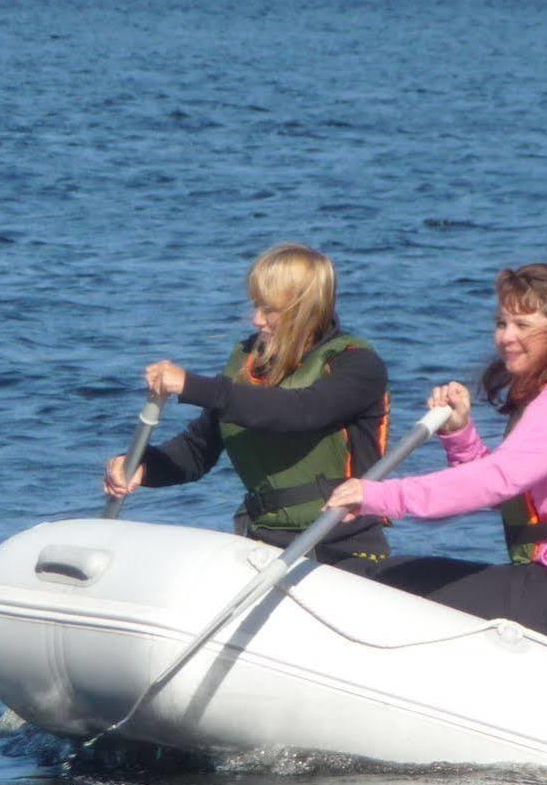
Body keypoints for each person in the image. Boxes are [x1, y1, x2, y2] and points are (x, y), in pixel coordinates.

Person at [326, 264, 547, 652]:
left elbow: (496, 482)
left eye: (523, 325)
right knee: (395, 574)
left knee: (381, 580)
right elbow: (509, 491)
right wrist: (460, 436)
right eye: (501, 323)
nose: (506, 337)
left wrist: (377, 495)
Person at [101, 243, 392, 566]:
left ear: (304, 309)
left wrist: (192, 385)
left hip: (342, 547)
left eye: (270, 310)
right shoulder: (247, 363)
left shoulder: (356, 365)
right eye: (256, 306)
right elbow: (198, 450)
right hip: (264, 542)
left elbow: (297, 411)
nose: (256, 320)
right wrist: (143, 467)